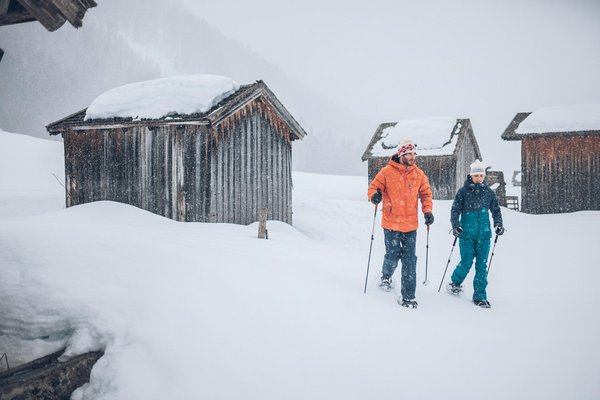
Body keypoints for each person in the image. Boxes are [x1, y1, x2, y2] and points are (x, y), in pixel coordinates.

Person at [367, 139, 434, 308]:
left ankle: (408, 296)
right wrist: (374, 196)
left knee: (410, 260)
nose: (413, 156)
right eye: (409, 153)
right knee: (392, 256)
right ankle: (386, 275)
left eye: (414, 153)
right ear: (401, 154)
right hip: (391, 224)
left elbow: (426, 194)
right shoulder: (386, 172)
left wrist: (427, 211)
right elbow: (373, 187)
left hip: (411, 225)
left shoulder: (419, 174)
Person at [447, 160, 504, 308]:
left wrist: (498, 224)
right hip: (466, 235)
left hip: (484, 236)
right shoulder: (463, 192)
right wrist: (456, 226)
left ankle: (480, 296)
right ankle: (455, 282)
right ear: (470, 175)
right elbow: (455, 210)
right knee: (466, 262)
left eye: (481, 175)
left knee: (481, 266)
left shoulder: (489, 193)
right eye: (476, 175)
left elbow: (496, 210)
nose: (479, 178)